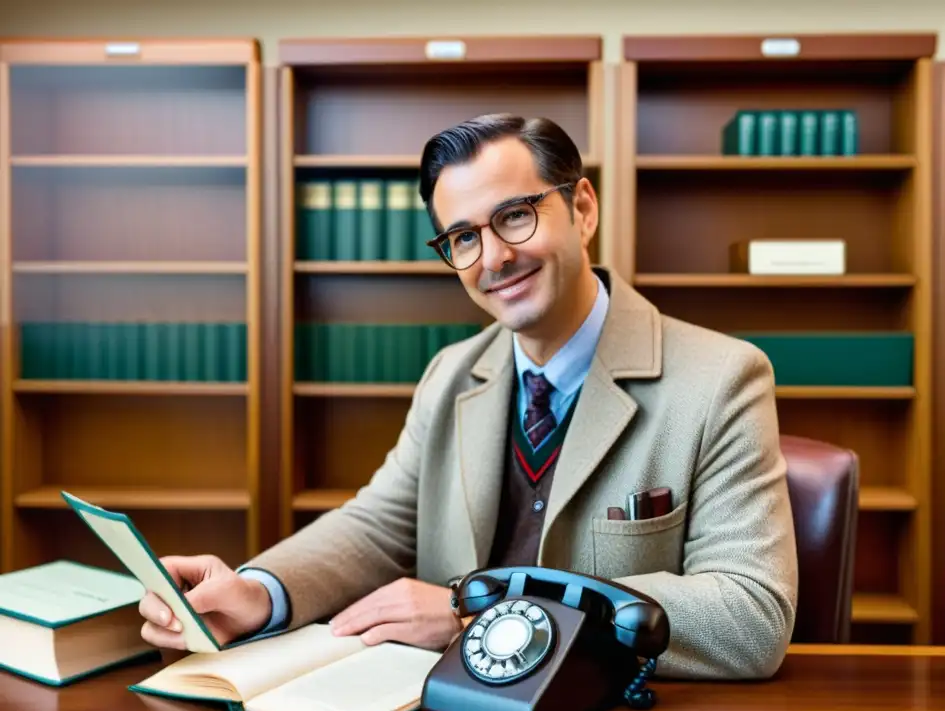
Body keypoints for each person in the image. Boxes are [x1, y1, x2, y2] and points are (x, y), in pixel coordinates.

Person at [139, 113, 798, 680]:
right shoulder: (450, 373)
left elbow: (750, 615)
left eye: (515, 216)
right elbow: (377, 527)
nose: (493, 258)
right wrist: (258, 591)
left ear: (584, 208)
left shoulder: (722, 379)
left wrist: (476, 611)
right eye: (463, 237)